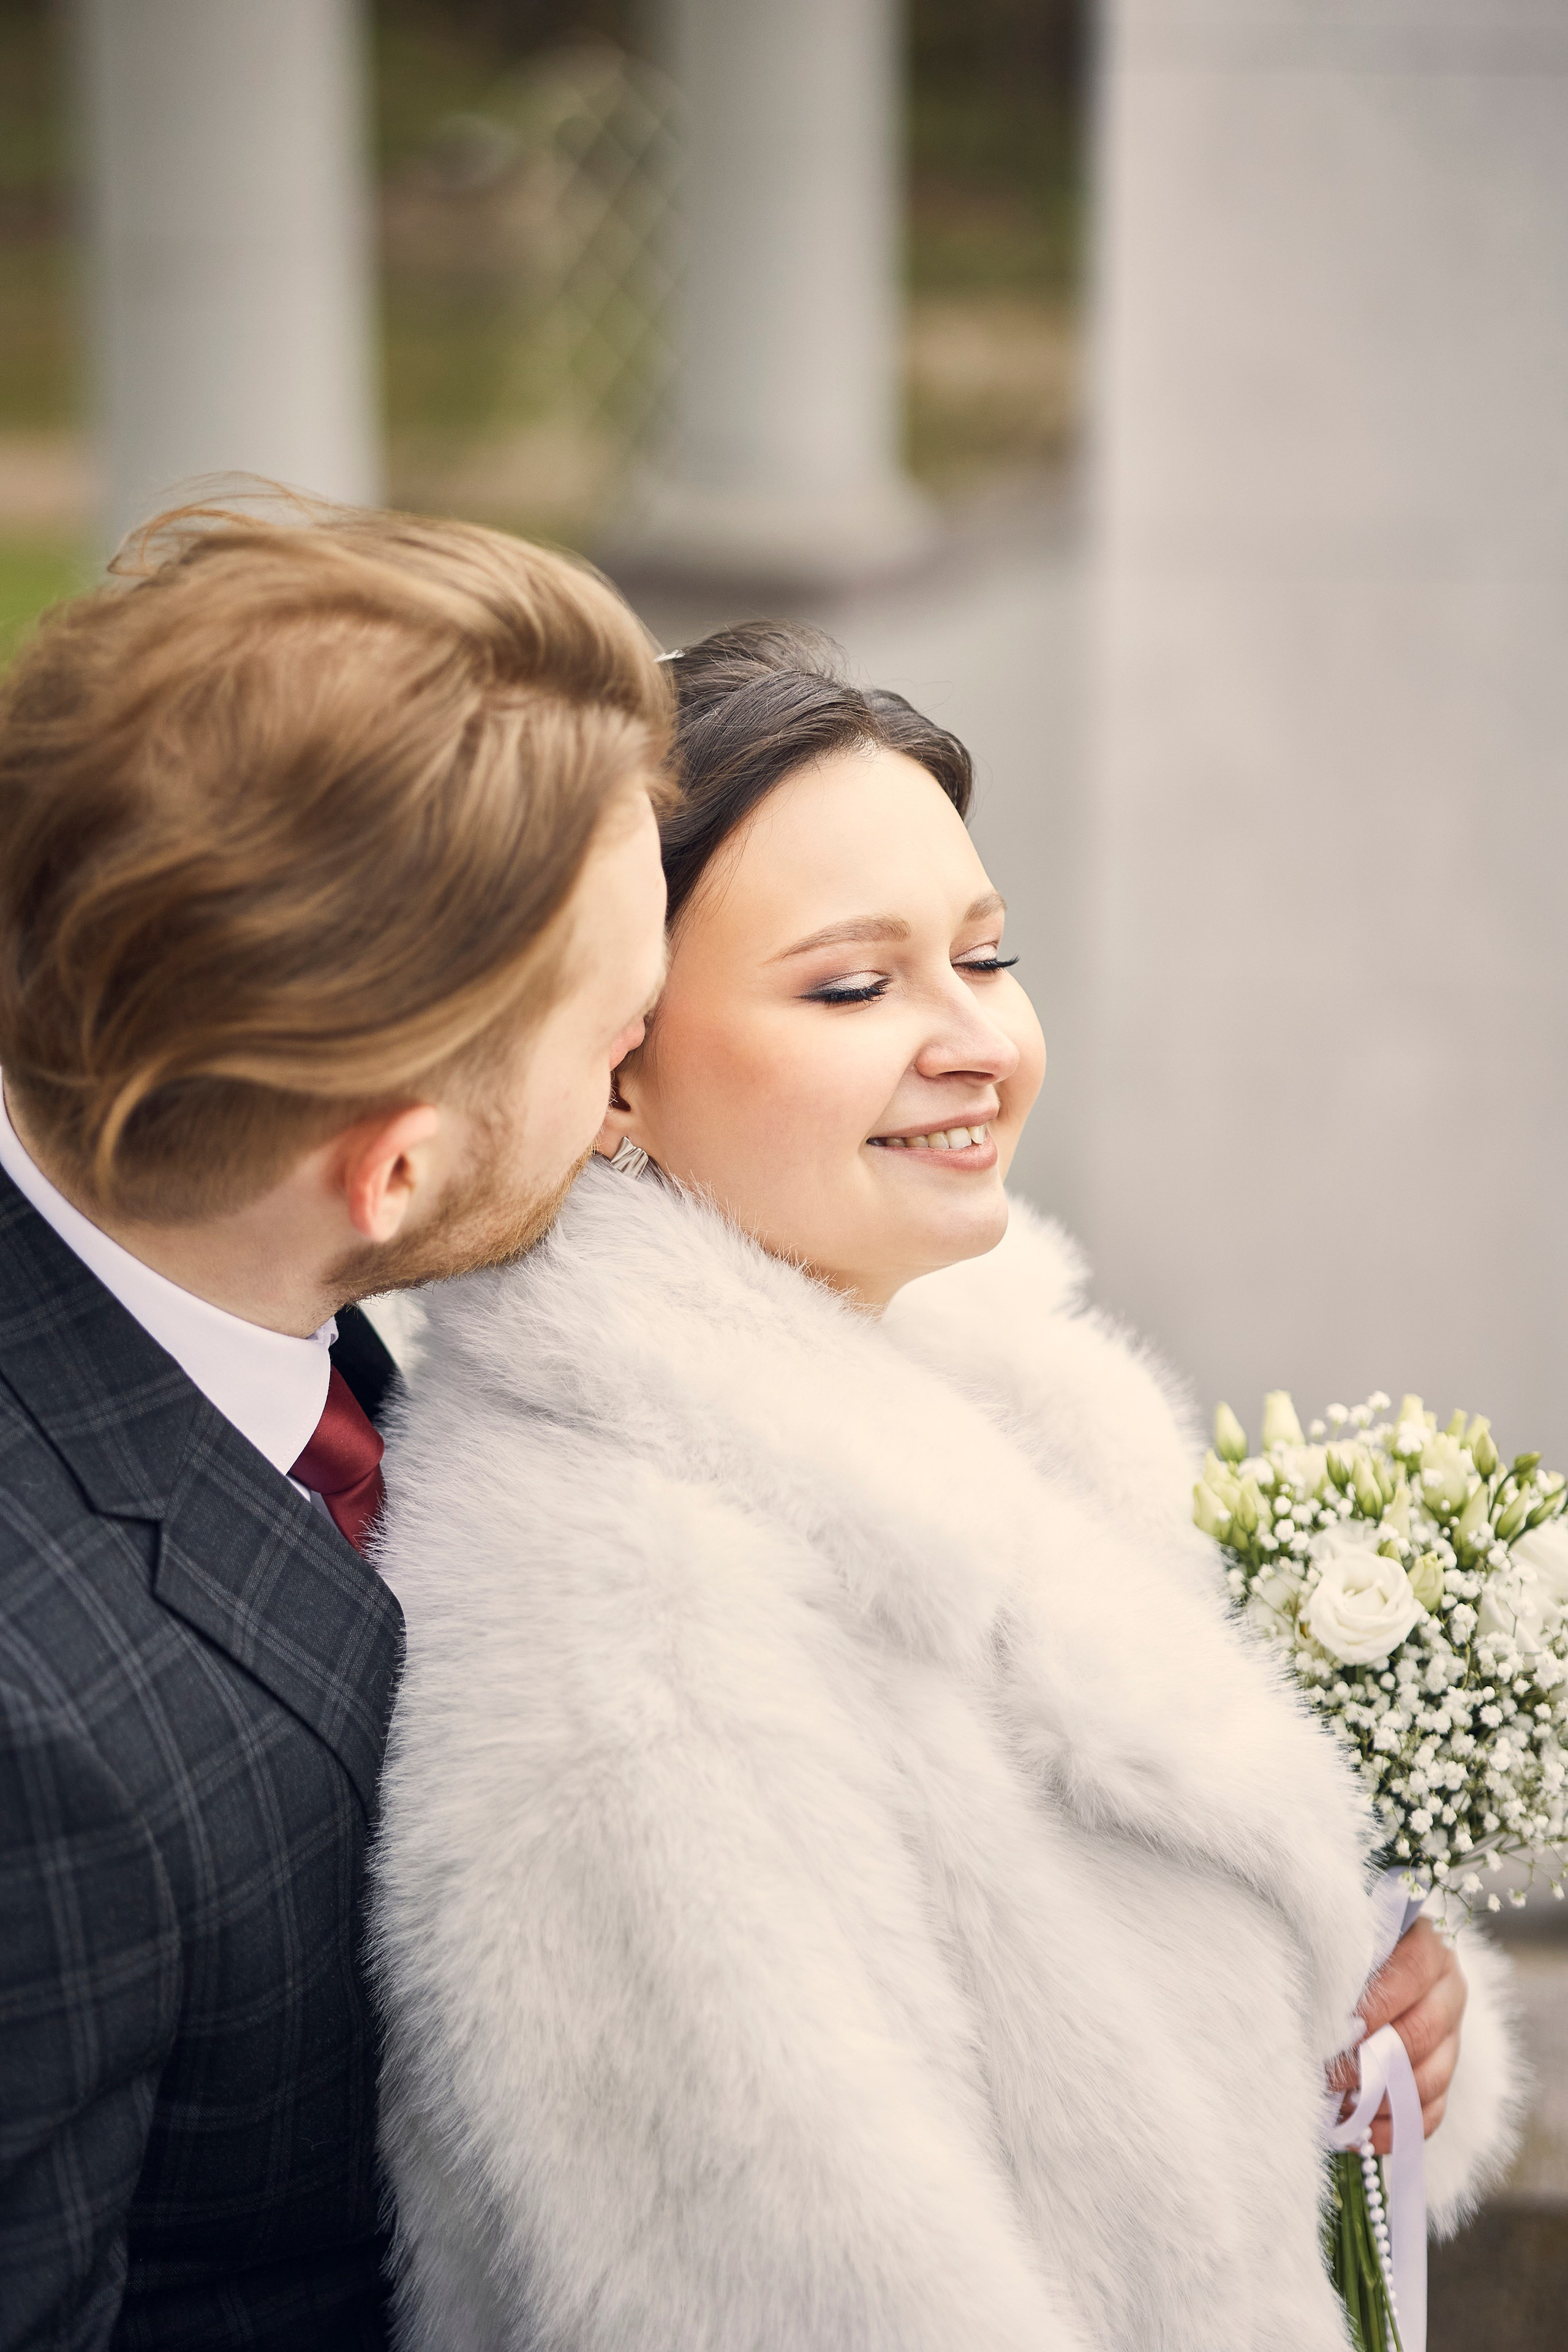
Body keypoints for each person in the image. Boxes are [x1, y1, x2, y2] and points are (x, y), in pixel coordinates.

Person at [370, 621, 1522, 2352]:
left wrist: (1377, 2037)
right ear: (611, 1062)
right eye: (854, 986)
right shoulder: (625, 1619)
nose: (973, 1039)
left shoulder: (1003, 1411)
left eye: (988, 957)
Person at [0, 502, 671, 2351]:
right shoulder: (35, 1758)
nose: (638, 1107)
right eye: (614, 1049)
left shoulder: (242, 1272)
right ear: (389, 1167)